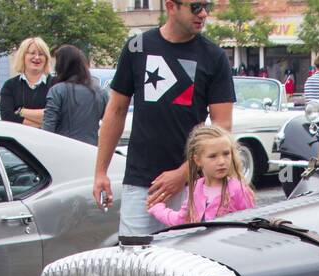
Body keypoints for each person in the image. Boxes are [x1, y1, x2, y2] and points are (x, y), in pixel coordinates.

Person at [93, 0, 235, 237]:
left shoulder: (214, 56)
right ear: (171, 6)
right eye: (195, 7)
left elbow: (223, 127)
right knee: (136, 263)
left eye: (207, 6)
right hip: (142, 183)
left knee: (187, 266)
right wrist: (100, 172)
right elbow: (115, 111)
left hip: (194, 185)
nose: (203, 14)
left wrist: (183, 173)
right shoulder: (137, 48)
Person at [148, 126, 256, 225]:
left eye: (226, 154)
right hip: (198, 246)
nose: (222, 161)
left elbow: (251, 225)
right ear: (198, 160)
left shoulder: (238, 189)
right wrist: (157, 208)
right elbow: (181, 221)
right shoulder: (195, 188)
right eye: (213, 156)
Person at [43, 44, 108, 146]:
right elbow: (111, 124)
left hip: (63, 150)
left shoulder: (57, 91)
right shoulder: (101, 92)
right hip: (92, 150)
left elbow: (48, 128)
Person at [0, 37, 51, 127]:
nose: (37, 57)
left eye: (41, 54)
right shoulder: (10, 86)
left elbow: (57, 115)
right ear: (23, 56)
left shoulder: (56, 84)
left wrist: (21, 111)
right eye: (32, 53)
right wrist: (42, 125)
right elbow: (7, 118)